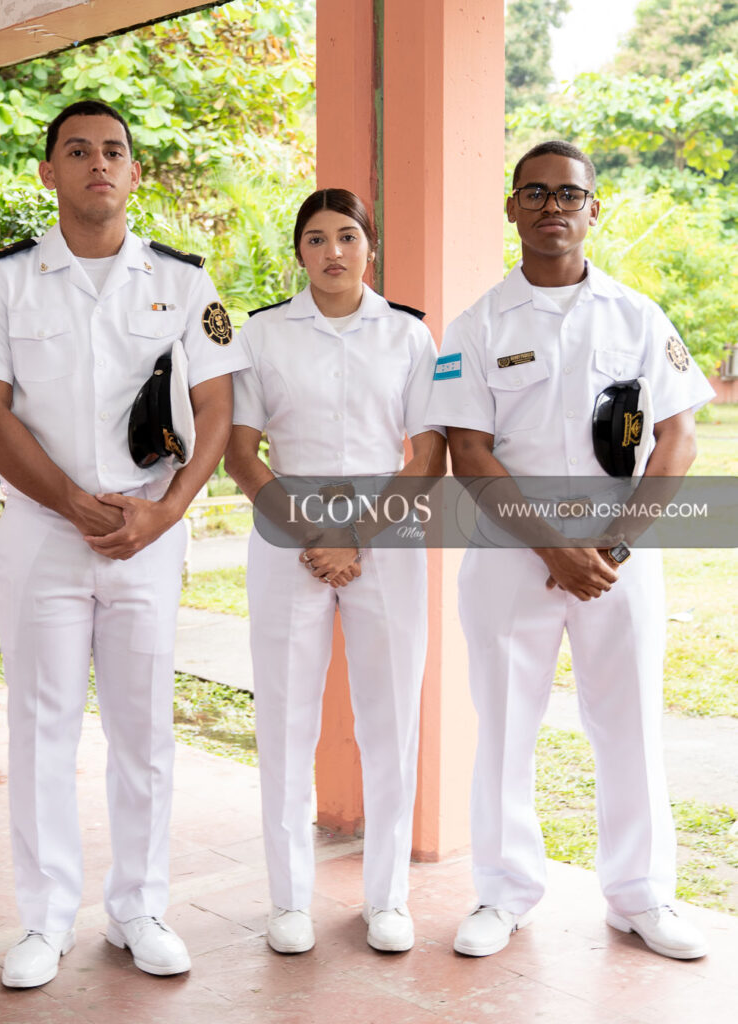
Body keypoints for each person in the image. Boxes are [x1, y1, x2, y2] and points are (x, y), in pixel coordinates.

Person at [0, 100, 248, 988]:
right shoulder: (1, 283)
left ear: (135, 172)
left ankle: (139, 908)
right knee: (41, 727)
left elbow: (220, 408)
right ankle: (43, 921)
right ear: (49, 173)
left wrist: (168, 513)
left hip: (147, 536)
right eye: (76, 151)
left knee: (144, 728)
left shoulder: (185, 282)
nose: (98, 164)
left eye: (114, 150)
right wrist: (73, 501)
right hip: (43, 535)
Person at [426, 141, 714, 961]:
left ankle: (639, 896)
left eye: (569, 193)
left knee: (626, 725)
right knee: (506, 724)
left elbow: (677, 440)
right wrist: (554, 550)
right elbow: (469, 453)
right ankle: (502, 892)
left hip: (619, 556)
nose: (553, 206)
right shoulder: (477, 325)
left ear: (595, 207)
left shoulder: (638, 316)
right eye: (535, 193)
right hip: (512, 555)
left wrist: (611, 548)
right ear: (511, 207)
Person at [225, 188, 446, 955]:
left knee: (388, 714)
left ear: (368, 247)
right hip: (289, 531)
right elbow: (239, 450)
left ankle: (386, 897)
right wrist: (311, 533)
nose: (332, 252)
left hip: (386, 530)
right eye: (315, 239)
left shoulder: (409, 336)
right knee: (285, 717)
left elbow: (427, 456)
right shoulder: (262, 336)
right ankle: (288, 901)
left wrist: (351, 536)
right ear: (299, 253)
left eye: (347, 236)